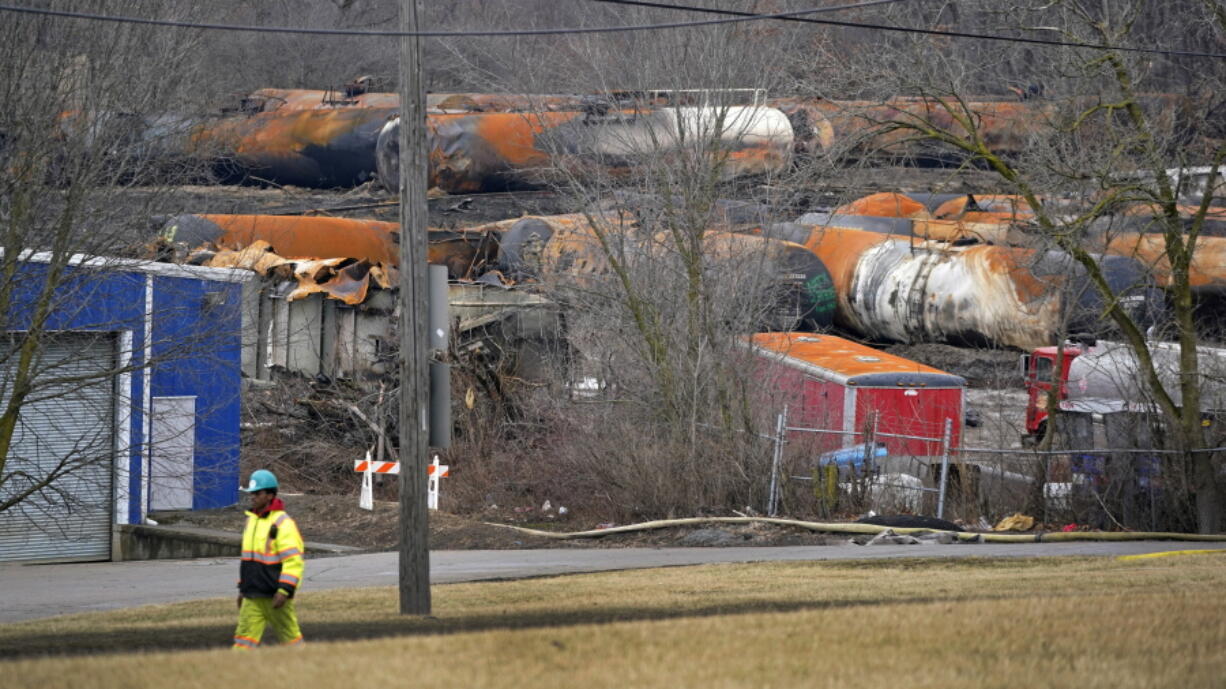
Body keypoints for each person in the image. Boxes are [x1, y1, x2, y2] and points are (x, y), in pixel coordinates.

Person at [232, 469, 305, 650]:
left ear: (270, 495)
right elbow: (248, 560)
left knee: (292, 642)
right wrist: (243, 588)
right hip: (252, 596)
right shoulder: (251, 521)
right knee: (242, 643)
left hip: (275, 596)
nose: (253, 497)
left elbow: (293, 561)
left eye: (258, 493)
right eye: (251, 493)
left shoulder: (283, 523)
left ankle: (306, 670)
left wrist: (284, 591)